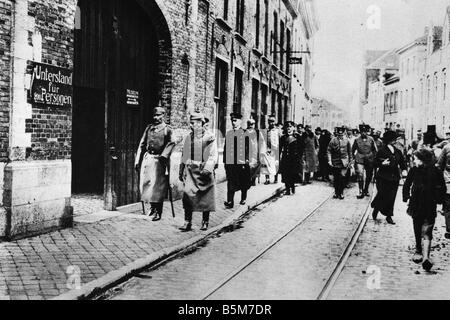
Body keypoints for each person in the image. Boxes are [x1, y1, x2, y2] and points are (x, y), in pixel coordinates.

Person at [403, 148, 446, 271]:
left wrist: (438, 199)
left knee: (427, 229)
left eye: (416, 159)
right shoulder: (414, 170)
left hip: (429, 204)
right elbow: (407, 183)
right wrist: (406, 196)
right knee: (418, 226)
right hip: (416, 204)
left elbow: (442, 187)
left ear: (423, 160)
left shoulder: (436, 171)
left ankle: (425, 257)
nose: (414, 161)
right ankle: (418, 249)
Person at [135, 106, 176, 221]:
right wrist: (137, 160)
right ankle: (152, 208)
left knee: (158, 186)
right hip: (148, 159)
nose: (156, 117)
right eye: (155, 115)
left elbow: (173, 142)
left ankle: (159, 211)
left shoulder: (168, 129)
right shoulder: (149, 128)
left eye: (159, 115)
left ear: (164, 116)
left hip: (159, 161)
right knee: (147, 184)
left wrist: (164, 155)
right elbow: (142, 144)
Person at [179, 112, 218, 231]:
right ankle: (187, 222)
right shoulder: (188, 137)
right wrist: (181, 171)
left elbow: (213, 154)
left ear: (201, 123)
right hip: (191, 171)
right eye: (191, 123)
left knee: (206, 197)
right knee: (188, 195)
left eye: (194, 123)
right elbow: (184, 155)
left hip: (204, 171)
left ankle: (205, 221)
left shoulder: (209, 137)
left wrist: (207, 168)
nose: (192, 126)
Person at [371, 130, 407, 225]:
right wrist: (381, 163)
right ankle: (376, 208)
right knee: (382, 195)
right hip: (383, 177)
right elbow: (374, 163)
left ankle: (389, 216)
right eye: (393, 139)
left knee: (392, 197)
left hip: (394, 178)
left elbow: (402, 163)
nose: (394, 141)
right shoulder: (381, 151)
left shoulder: (397, 151)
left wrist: (404, 170)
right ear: (389, 140)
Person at [223, 112, 251, 209]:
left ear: (240, 121)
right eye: (232, 121)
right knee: (230, 181)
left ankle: (243, 198)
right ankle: (230, 201)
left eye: (235, 121)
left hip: (241, 162)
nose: (233, 122)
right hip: (231, 163)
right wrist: (225, 162)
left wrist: (246, 160)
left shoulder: (245, 132)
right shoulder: (229, 133)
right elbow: (226, 148)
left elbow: (248, 148)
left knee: (243, 181)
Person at [352, 124, 378, 199]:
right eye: (362, 132)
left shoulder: (371, 139)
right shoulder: (356, 140)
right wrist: (354, 158)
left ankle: (366, 189)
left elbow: (375, 150)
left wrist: (374, 159)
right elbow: (352, 150)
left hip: (369, 159)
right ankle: (360, 190)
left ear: (367, 132)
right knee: (360, 174)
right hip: (359, 159)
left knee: (369, 175)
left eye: (365, 132)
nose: (363, 133)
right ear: (360, 132)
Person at [327, 126, 353, 200]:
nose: (340, 136)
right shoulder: (333, 141)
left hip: (344, 162)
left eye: (341, 135)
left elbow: (350, 152)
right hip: (335, 162)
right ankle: (336, 192)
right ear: (337, 134)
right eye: (339, 135)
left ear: (344, 134)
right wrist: (329, 160)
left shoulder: (347, 141)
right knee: (336, 178)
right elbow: (329, 151)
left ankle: (341, 192)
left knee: (342, 177)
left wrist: (350, 161)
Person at [279, 122, 302, 195]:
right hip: (286, 158)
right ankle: (287, 189)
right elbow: (279, 148)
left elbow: (301, 148)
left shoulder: (297, 137)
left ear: (293, 128)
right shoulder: (283, 137)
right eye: (287, 127)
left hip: (294, 159)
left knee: (293, 174)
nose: (288, 128)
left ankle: (293, 188)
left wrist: (299, 157)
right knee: (286, 174)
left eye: (290, 126)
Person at [260, 115, 280, 185]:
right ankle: (267, 179)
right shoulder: (266, 130)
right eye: (270, 121)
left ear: (275, 122)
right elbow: (264, 140)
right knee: (266, 164)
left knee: (275, 164)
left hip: (275, 150)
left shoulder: (277, 131)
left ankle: (275, 178)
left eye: (273, 121)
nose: (272, 123)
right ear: (268, 122)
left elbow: (280, 140)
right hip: (268, 149)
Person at [437, 138, 450, 240]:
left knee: (448, 207)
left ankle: (449, 229)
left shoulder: (446, 148)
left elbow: (439, 165)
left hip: (448, 182)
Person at [246, 118, 263, 187]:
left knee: (256, 166)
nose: (251, 125)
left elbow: (262, 141)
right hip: (247, 151)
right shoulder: (244, 132)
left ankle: (253, 179)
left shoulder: (258, 132)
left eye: (252, 124)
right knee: (248, 166)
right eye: (249, 124)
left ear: (254, 124)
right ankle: (248, 179)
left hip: (256, 151)